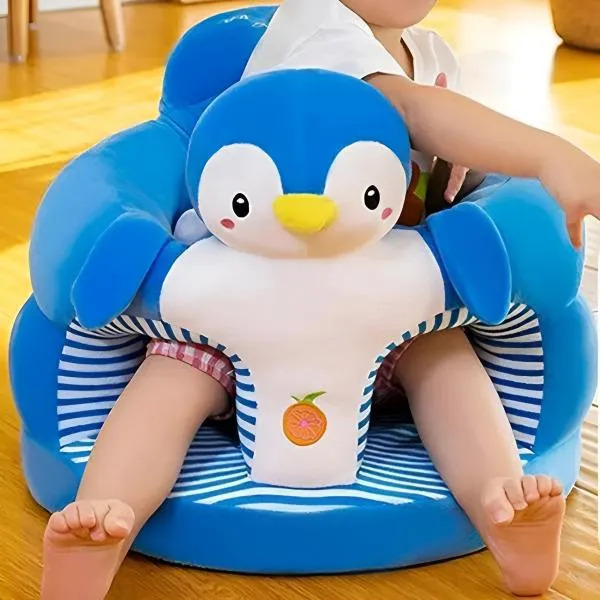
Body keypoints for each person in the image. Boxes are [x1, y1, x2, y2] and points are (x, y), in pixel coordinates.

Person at [41, 1, 600, 598]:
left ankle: (500, 503)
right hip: (238, 316)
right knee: (170, 382)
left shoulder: (432, 54)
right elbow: (410, 110)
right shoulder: (314, 27)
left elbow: (440, 176)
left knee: (446, 365)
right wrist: (550, 156)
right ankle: (105, 519)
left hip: (389, 320)